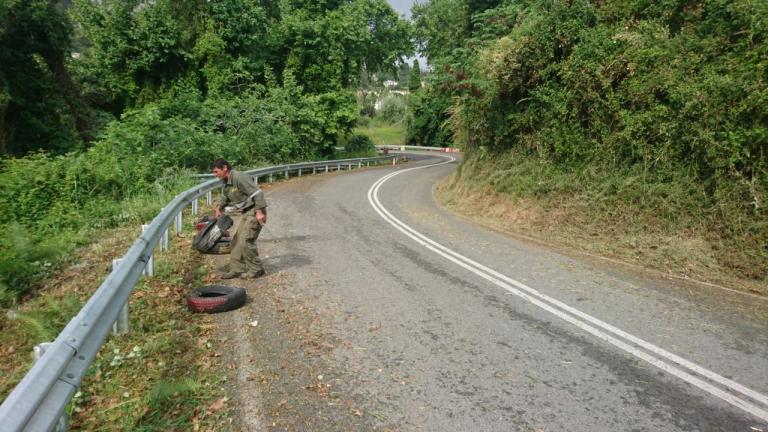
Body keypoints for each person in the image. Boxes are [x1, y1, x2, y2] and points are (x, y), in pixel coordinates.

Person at [211, 159, 267, 279]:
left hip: (255, 210)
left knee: (246, 241)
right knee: (236, 242)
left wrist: (259, 212)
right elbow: (226, 196)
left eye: (216, 172)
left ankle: (256, 269)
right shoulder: (226, 181)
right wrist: (219, 207)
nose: (215, 175)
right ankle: (237, 269)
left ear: (225, 168)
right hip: (247, 212)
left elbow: (257, 193)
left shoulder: (239, 177)